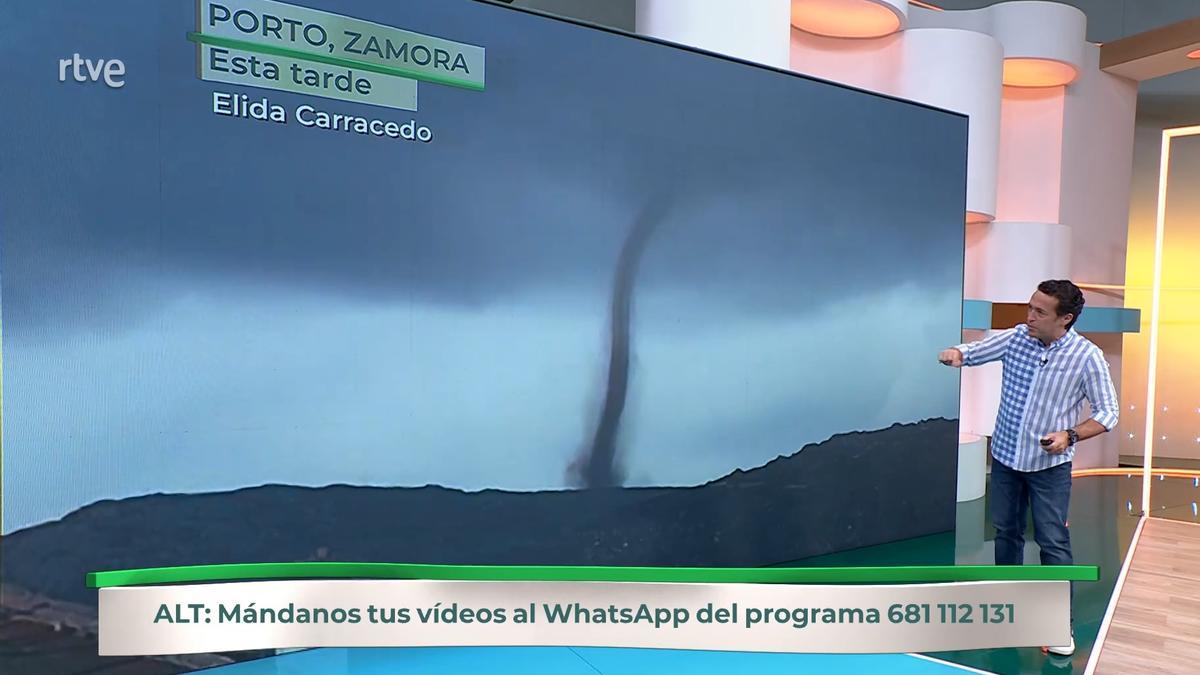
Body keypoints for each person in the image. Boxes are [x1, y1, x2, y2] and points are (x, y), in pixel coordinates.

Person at [938, 279, 1119, 657]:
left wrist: (1069, 435)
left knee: (1053, 542)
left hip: (1049, 468)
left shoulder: (1087, 357)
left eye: (1040, 311)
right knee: (1007, 533)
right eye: (1030, 307)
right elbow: (978, 349)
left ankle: (1057, 623)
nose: (1029, 316)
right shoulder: (1018, 337)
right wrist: (957, 353)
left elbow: (1108, 413)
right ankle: (1007, 609)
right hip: (1005, 458)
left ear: (1065, 318)